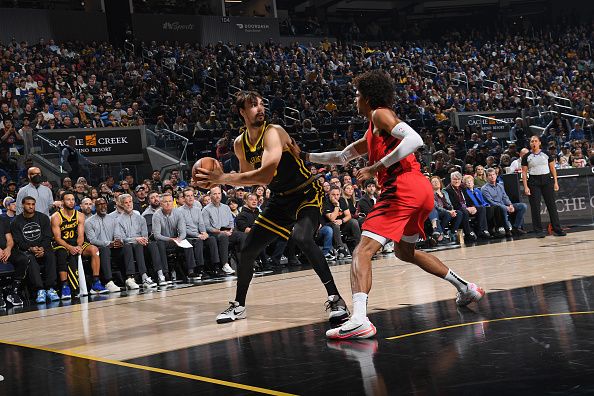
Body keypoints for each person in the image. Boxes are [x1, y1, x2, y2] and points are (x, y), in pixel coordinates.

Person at [291, 71, 484, 339]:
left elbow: (415, 140)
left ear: (368, 98)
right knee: (405, 252)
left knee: (362, 250)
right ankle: (465, 287)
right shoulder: (373, 129)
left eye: (357, 95)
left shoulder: (381, 113)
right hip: (420, 190)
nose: (355, 100)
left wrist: (377, 167)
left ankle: (359, 319)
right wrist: (303, 154)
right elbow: (341, 156)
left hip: (402, 188)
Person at [194, 90, 348, 325]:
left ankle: (336, 298)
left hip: (306, 192)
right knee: (247, 250)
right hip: (279, 199)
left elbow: (265, 174)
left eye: (261, 104)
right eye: (253, 105)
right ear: (242, 112)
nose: (260, 108)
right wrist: (220, 178)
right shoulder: (239, 144)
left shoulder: (274, 132)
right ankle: (239, 306)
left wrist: (223, 178)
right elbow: (249, 177)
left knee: (302, 237)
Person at [50, 191, 107, 299]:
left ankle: (96, 282)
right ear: (62, 202)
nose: (71, 202)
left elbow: (80, 235)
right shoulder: (56, 217)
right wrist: (70, 247)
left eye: (72, 199)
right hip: (62, 244)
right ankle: (65, 286)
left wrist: (79, 246)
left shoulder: (80, 215)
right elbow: (57, 238)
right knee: (62, 253)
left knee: (94, 249)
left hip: (76, 243)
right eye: (68, 199)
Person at [11, 196, 60, 303]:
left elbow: (48, 237)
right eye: (28, 204)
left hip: (43, 247)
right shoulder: (16, 222)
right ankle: (40, 290)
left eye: (33, 204)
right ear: (23, 205)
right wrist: (30, 248)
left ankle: (50, 288)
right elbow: (19, 241)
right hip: (27, 250)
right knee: (30, 259)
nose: (31, 206)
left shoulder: (43, 218)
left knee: (51, 255)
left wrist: (42, 248)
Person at [521, 135, 566, 238]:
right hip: (533, 181)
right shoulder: (526, 156)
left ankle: (557, 229)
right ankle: (538, 231)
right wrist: (526, 187)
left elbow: (553, 169)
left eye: (535, 141)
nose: (534, 143)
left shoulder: (546, 154)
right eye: (532, 141)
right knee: (535, 207)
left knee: (552, 206)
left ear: (539, 143)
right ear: (530, 144)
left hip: (547, 180)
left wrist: (555, 182)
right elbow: (524, 173)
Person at [113, 195, 158, 288]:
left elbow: (145, 235)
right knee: (130, 245)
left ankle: (159, 274)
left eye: (130, 202)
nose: (129, 204)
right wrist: (135, 239)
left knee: (152, 244)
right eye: (126, 202)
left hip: (140, 244)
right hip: (126, 247)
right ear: (121, 204)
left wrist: (141, 239)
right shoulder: (118, 220)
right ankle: (132, 278)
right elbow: (119, 238)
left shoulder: (140, 218)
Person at [201, 185, 245, 276]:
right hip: (214, 234)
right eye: (215, 194)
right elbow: (207, 227)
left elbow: (231, 222)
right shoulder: (206, 210)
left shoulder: (226, 207)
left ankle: (244, 262)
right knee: (223, 236)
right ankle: (225, 264)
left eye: (219, 193)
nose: (217, 196)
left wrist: (230, 230)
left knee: (242, 235)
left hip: (227, 232)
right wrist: (220, 232)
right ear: (211, 196)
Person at [83, 197, 124, 293]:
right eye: (99, 205)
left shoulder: (113, 219)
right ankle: (108, 281)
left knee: (127, 247)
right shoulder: (88, 222)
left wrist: (118, 241)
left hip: (113, 247)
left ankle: (130, 278)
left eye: (104, 204)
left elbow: (117, 234)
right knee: (104, 249)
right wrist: (108, 243)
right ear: (95, 207)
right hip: (100, 249)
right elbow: (92, 240)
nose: (103, 206)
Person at [177, 187, 218, 279]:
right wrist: (198, 235)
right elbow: (182, 229)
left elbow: (201, 224)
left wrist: (204, 232)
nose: (190, 198)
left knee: (212, 239)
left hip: (199, 235)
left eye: (192, 196)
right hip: (186, 236)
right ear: (183, 198)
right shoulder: (179, 211)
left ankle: (216, 267)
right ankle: (196, 269)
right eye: (188, 196)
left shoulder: (197, 209)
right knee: (195, 241)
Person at [481, 168, 528, 236]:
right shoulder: (484, 188)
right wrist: (506, 207)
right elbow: (491, 202)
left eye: (493, 174)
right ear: (487, 177)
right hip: (495, 208)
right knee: (502, 208)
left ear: (496, 175)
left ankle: (516, 227)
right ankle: (507, 229)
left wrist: (510, 205)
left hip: (505, 205)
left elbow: (505, 197)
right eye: (490, 175)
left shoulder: (500, 185)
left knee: (523, 206)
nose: (492, 176)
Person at [0, 214, 29, 307]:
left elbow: (9, 239)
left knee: (23, 259)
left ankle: (13, 291)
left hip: (6, 250)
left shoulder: (3, 219)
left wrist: (8, 249)